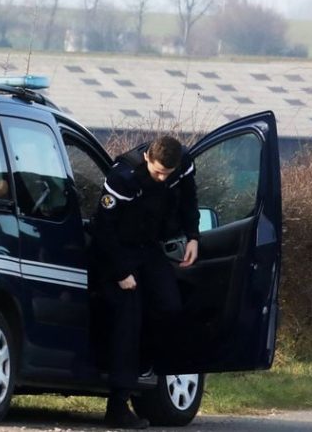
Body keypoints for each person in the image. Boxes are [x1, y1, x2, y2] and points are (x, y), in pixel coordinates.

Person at [91, 135, 200, 429]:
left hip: (148, 248)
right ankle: (117, 406)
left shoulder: (183, 165)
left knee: (170, 306)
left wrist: (193, 236)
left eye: (168, 173)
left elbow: (189, 197)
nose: (163, 178)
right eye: (158, 172)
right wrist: (120, 272)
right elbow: (103, 229)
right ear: (148, 158)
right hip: (117, 253)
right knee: (128, 320)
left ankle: (145, 365)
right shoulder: (124, 176)